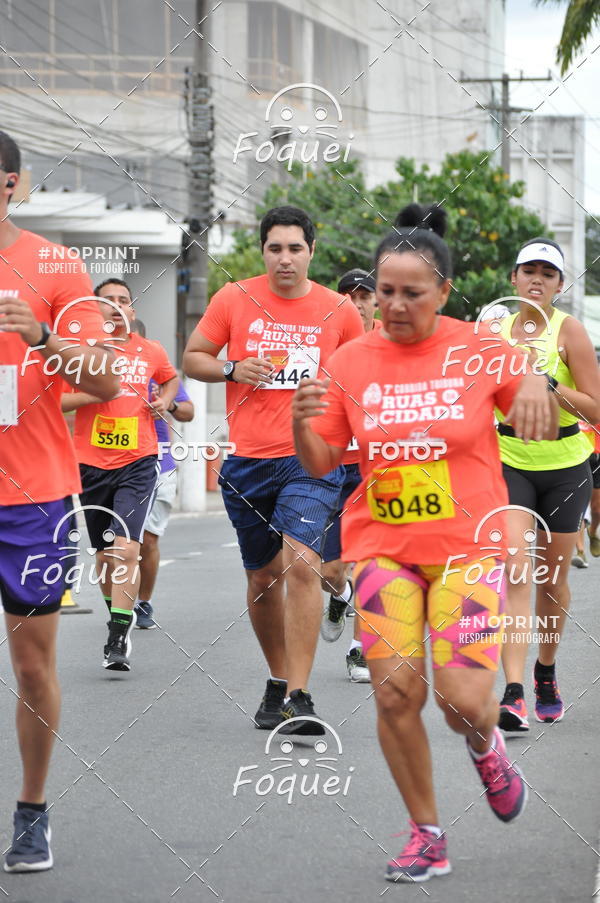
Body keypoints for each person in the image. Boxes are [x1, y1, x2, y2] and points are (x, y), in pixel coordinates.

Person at [292, 203, 555, 881]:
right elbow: (322, 460)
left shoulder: (477, 346)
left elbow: (525, 381)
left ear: (443, 291)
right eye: (385, 290)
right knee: (395, 694)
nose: (396, 304)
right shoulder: (351, 359)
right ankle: (426, 831)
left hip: (468, 548)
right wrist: (300, 424)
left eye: (413, 292)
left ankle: (486, 743)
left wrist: (529, 381)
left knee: (464, 698)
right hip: (383, 547)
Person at [183, 205, 363, 733]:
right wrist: (234, 367)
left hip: (310, 459)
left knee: (302, 566)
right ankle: (279, 678)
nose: (285, 258)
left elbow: (361, 377)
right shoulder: (234, 298)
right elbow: (194, 357)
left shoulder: (338, 310)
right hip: (247, 463)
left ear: (312, 251)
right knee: (262, 579)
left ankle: (301, 697)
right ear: (263, 251)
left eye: (295, 248)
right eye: (275, 248)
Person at [0, 130, 119, 871]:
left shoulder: (54, 263)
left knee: (33, 665)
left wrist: (43, 336)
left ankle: (33, 810)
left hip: (33, 496)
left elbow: (105, 382)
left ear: (12, 182)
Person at [496, 239, 600, 731]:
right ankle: (513, 692)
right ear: (513, 279)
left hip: (564, 465)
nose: (536, 279)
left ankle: (545, 671)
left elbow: (596, 408)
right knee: (517, 570)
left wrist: (551, 385)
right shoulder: (491, 332)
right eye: (528, 270)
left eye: (548, 273)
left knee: (552, 578)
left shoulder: (569, 332)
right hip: (507, 459)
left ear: (560, 285)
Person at [61, 278, 179, 671]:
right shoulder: (78, 354)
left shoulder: (151, 350)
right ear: (93, 310)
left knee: (127, 549)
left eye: (122, 301)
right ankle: (117, 615)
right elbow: (57, 400)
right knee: (103, 554)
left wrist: (165, 398)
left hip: (139, 461)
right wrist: (98, 393)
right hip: (91, 464)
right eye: (106, 301)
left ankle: (118, 633)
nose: (115, 306)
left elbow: (170, 377)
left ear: (132, 311)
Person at [320, 268, 378, 682]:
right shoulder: (325, 348)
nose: (355, 303)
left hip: (373, 472)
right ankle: (340, 595)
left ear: (376, 302)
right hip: (329, 468)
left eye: (364, 296)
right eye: (347, 295)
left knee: (370, 562)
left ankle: (359, 650)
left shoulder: (390, 347)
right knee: (328, 573)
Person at [131, 319, 195, 628]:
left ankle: (143, 602)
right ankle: (116, 601)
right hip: (117, 465)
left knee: (147, 541)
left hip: (160, 466)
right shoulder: (101, 370)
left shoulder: (161, 374)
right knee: (115, 542)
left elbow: (188, 410)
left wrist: (167, 403)